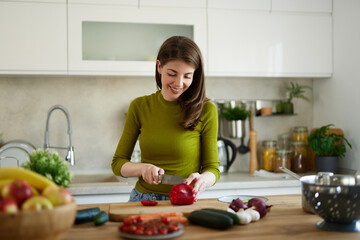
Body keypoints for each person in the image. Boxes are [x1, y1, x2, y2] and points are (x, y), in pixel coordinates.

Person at [111, 36, 220, 202]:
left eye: (187, 76)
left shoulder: (206, 111)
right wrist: (143, 168)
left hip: (183, 201)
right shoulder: (139, 106)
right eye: (172, 74)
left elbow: (213, 168)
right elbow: (118, 164)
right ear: (159, 66)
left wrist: (204, 179)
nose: (179, 83)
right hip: (143, 199)